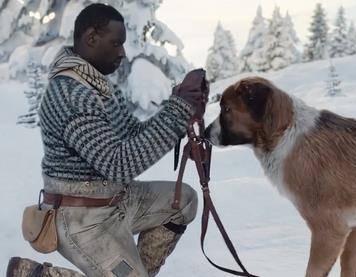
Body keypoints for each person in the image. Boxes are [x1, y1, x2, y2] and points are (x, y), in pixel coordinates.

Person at [7, 3, 207, 277]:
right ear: (91, 39)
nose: (123, 53)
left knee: (183, 200)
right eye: (116, 43)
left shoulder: (96, 86)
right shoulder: (71, 95)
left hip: (116, 200)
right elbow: (118, 164)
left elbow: (133, 137)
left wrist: (179, 109)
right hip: (82, 219)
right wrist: (177, 111)